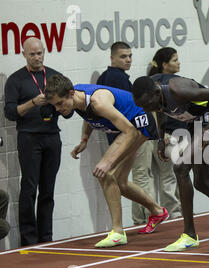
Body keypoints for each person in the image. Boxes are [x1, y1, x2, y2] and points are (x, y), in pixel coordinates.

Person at [131, 74, 209, 252]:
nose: (146, 109)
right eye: (142, 106)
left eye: (148, 105)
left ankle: (189, 235)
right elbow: (160, 112)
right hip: (195, 123)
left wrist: (208, 130)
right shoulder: (153, 96)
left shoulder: (177, 89)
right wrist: (161, 138)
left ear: (157, 92)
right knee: (201, 182)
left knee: (181, 168)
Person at [44, 74, 167, 248]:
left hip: (139, 124)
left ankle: (117, 232)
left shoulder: (98, 102)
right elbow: (89, 118)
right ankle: (157, 211)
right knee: (121, 183)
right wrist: (84, 140)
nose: (57, 109)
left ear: (71, 94)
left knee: (106, 173)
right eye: (54, 105)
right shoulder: (77, 100)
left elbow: (130, 132)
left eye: (59, 104)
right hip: (128, 127)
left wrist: (109, 162)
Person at [4, 37, 69, 246]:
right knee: (29, 189)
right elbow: (10, 113)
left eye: (40, 53)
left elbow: (68, 110)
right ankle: (29, 239)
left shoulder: (54, 76)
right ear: (24, 55)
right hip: (29, 137)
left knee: (48, 191)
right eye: (32, 54)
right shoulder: (16, 80)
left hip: (51, 136)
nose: (37, 57)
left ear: (44, 52)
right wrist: (32, 103)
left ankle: (46, 238)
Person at [136, 47, 184, 231]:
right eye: (175, 60)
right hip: (164, 134)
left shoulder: (174, 82)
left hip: (173, 133)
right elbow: (153, 111)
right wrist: (160, 133)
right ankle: (173, 213)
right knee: (167, 175)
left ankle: (174, 211)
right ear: (164, 64)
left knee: (172, 174)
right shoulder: (157, 85)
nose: (179, 63)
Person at [97, 41, 133, 144]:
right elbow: (128, 108)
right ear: (112, 58)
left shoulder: (104, 76)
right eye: (123, 57)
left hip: (114, 132)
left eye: (130, 56)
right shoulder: (119, 78)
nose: (128, 60)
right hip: (124, 133)